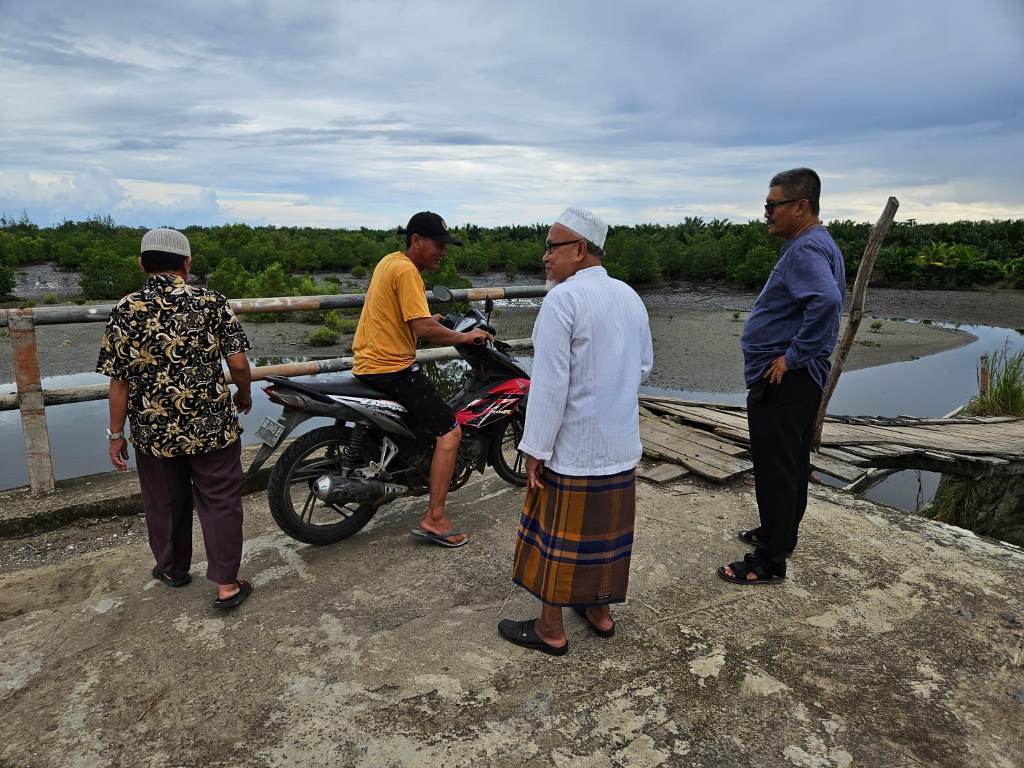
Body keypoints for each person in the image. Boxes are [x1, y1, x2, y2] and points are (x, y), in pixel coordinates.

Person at [497, 207, 653, 655]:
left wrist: (536, 449)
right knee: (606, 535)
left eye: (552, 247)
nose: (545, 256)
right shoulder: (629, 296)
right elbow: (643, 365)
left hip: (574, 446)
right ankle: (599, 612)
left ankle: (550, 628)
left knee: (557, 538)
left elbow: (549, 386)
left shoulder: (561, 301)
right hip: (620, 443)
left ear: (580, 250)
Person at [97, 228, 255, 609]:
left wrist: (115, 434)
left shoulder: (125, 308)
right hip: (212, 426)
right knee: (220, 500)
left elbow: (118, 382)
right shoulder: (211, 301)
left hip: (154, 432)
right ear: (186, 263)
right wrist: (244, 394)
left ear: (142, 264)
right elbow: (237, 363)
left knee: (164, 502)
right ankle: (227, 586)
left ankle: (172, 569)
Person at [719, 168, 845, 585]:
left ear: (800, 206)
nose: (767, 213)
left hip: (784, 380)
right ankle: (779, 533)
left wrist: (792, 358)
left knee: (776, 466)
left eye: (773, 206)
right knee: (790, 463)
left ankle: (770, 560)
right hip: (795, 379)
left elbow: (825, 302)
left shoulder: (806, 249)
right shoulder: (815, 242)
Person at [352, 211, 491, 548]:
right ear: (416, 240)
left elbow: (410, 318)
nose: (442, 251)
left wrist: (434, 317)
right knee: (449, 431)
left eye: (445, 245)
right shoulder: (407, 271)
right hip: (392, 368)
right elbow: (423, 330)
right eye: (438, 244)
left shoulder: (390, 262)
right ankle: (435, 518)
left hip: (368, 364)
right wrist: (465, 338)